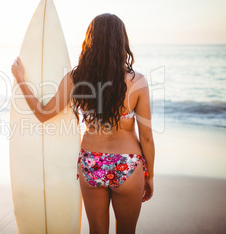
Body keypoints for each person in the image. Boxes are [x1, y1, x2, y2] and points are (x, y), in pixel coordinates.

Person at [11, 13, 154, 234]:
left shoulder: (76, 79)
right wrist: (149, 175)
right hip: (128, 165)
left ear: (90, 41)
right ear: (122, 41)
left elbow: (42, 113)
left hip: (91, 164)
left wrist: (21, 79)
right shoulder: (137, 82)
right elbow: (146, 137)